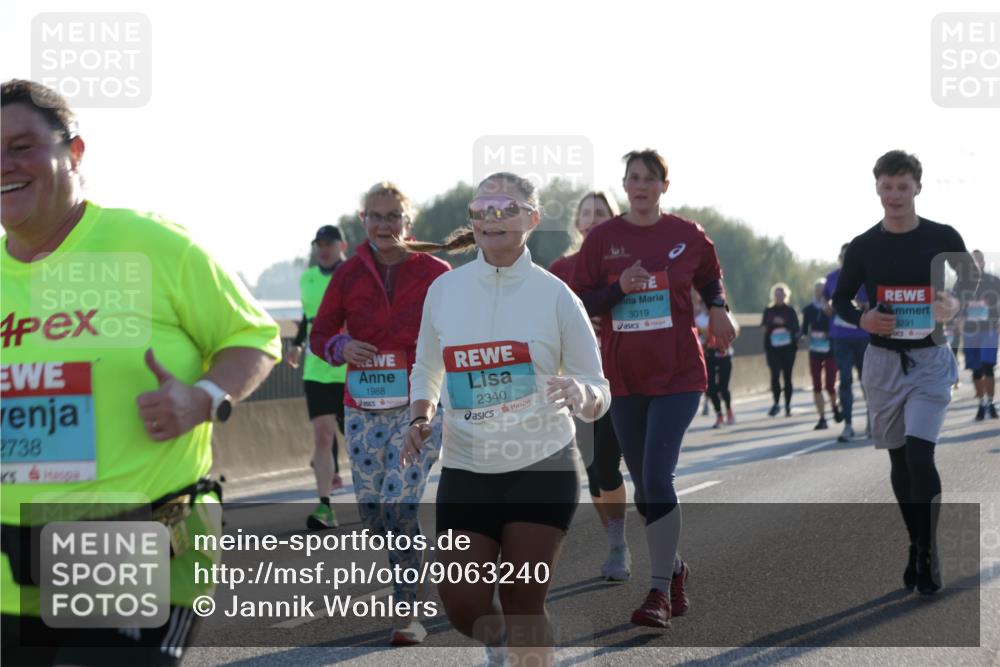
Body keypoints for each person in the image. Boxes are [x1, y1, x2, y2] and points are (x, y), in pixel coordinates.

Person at [1, 79, 281, 666]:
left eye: (22, 145)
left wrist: (204, 398)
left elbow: (252, 336)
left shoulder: (150, 245)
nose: (6, 165)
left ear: (74, 152)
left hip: (135, 537)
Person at [402, 172, 611, 667]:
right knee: (463, 606)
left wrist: (581, 393)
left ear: (532, 219)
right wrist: (420, 414)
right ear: (471, 219)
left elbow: (599, 388)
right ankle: (503, 648)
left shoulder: (557, 296)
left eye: (506, 209)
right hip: (467, 465)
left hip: (542, 464)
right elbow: (428, 367)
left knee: (523, 600)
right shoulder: (445, 290)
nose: (492, 219)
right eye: (483, 209)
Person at [573, 149, 738, 629]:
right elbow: (582, 299)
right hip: (623, 378)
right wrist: (620, 287)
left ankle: (659, 592)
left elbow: (710, 277)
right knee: (645, 490)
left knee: (657, 477)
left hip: (679, 375)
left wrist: (720, 307)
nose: (640, 186)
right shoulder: (603, 240)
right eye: (632, 178)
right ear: (624, 185)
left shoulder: (687, 236)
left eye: (649, 179)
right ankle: (677, 567)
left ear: (664, 186)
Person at [833, 150, 979, 596]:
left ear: (918, 186)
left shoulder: (940, 236)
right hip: (882, 363)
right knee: (898, 459)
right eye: (887, 186)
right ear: (877, 187)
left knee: (920, 455)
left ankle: (931, 550)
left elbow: (973, 278)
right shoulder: (864, 246)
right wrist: (862, 319)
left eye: (903, 186)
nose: (894, 195)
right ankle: (915, 544)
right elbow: (841, 299)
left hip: (931, 359)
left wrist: (954, 303)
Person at [309, 182, 450, 645]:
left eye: (393, 217)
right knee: (374, 512)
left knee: (400, 502)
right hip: (363, 409)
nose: (385, 225)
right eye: (376, 216)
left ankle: (407, 609)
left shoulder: (436, 272)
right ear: (363, 221)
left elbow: (460, 331)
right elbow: (320, 335)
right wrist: (341, 345)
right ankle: (415, 575)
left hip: (418, 405)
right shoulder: (348, 274)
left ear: (408, 224)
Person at [549, 191, 631, 581]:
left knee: (622, 469)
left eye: (602, 212)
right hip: (578, 383)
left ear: (614, 220)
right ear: (577, 223)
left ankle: (639, 543)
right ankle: (616, 541)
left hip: (624, 377)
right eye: (587, 213)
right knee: (597, 469)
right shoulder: (560, 269)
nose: (594, 218)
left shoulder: (627, 265)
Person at [287, 225, 348, 530]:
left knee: (359, 440)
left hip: (353, 369)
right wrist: (297, 345)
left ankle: (377, 494)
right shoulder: (307, 279)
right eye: (318, 244)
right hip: (317, 369)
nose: (322, 248)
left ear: (342, 245)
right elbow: (307, 320)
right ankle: (325, 507)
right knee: (322, 435)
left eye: (328, 243)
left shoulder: (352, 274)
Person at [824, 243, 871, 442]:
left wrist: (859, 306)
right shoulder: (832, 278)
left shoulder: (867, 276)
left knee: (867, 381)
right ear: (839, 258)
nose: (846, 260)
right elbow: (827, 305)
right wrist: (833, 306)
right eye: (843, 257)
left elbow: (875, 304)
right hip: (841, 337)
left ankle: (872, 422)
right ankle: (848, 425)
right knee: (844, 380)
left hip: (863, 336)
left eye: (849, 256)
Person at [961, 249, 1000, 420]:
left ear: (983, 262)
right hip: (970, 330)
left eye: (978, 260)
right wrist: (958, 317)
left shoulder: (993, 280)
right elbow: (955, 303)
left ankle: (990, 403)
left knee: (987, 366)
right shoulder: (962, 282)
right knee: (976, 370)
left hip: (989, 328)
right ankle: (981, 404)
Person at [801, 279, 841, 430]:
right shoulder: (808, 309)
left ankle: (835, 406)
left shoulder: (833, 309)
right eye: (817, 291)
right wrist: (802, 337)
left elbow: (838, 326)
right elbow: (804, 329)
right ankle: (822, 418)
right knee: (816, 385)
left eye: (822, 291)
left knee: (830, 385)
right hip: (815, 350)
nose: (819, 294)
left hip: (831, 350)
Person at [695, 292, 735, 428]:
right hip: (708, 355)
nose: (706, 307)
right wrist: (704, 341)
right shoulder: (698, 320)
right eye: (704, 304)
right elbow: (695, 337)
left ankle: (729, 410)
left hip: (723, 353)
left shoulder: (724, 315)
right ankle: (719, 415)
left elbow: (734, 331)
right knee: (711, 388)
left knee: (723, 387)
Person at [762, 283, 799, 417]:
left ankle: (788, 405)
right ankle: (776, 403)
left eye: (781, 294)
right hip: (773, 349)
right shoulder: (768, 310)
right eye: (777, 294)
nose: (779, 296)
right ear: (773, 296)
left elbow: (796, 328)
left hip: (788, 349)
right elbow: (764, 326)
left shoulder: (790, 311)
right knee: (775, 376)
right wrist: (773, 323)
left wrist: (783, 323)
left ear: (785, 296)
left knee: (787, 377)